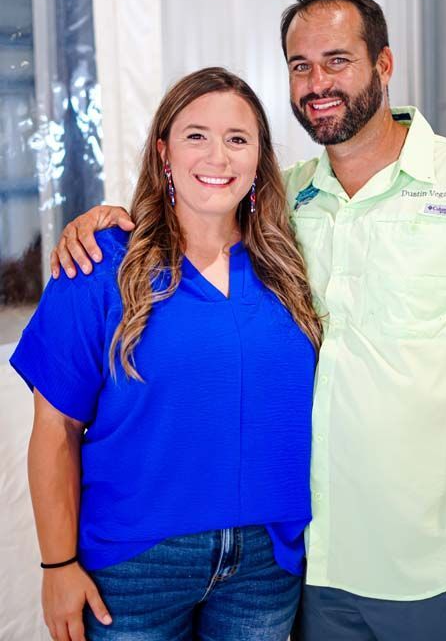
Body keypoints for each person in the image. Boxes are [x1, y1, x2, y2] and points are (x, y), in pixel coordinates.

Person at [49, 0, 446, 641]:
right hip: (313, 562)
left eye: (336, 60)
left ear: (383, 66)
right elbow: (195, 210)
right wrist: (110, 221)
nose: (316, 83)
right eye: (299, 65)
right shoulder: (286, 206)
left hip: (439, 558)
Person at [10, 67, 322, 641]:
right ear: (164, 152)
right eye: (196, 135)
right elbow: (54, 429)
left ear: (259, 158)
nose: (218, 156)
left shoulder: (292, 266)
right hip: (134, 568)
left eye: (237, 139)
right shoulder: (101, 265)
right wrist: (56, 566)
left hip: (266, 563)